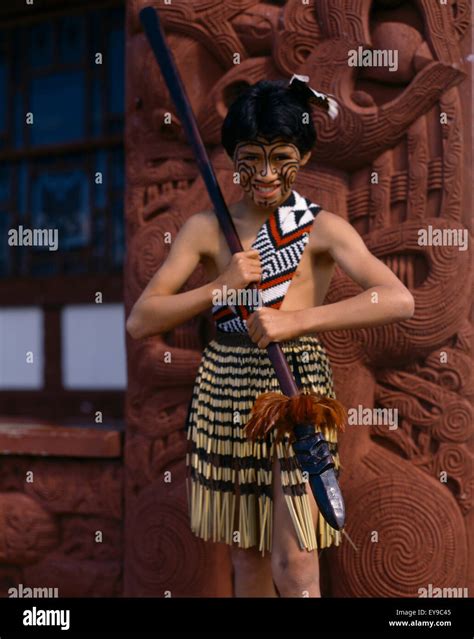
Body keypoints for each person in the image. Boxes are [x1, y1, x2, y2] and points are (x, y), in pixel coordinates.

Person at [126, 79, 415, 597]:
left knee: (296, 556)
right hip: (225, 390)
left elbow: (397, 298)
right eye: (249, 159)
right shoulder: (205, 229)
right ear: (231, 158)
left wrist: (297, 321)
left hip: (295, 391)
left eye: (279, 157)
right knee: (246, 551)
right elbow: (141, 319)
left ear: (302, 155)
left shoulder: (322, 229)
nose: (263, 175)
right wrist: (220, 288)